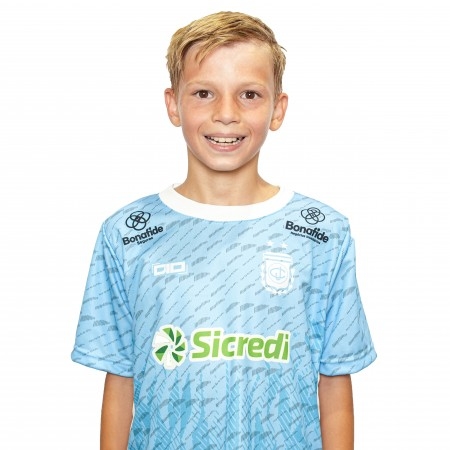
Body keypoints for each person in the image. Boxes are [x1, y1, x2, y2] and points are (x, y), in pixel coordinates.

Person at [71, 11, 376, 450]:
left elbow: (334, 380)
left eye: (249, 94)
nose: (226, 114)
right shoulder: (127, 235)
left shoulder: (324, 234)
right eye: (204, 93)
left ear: (278, 109)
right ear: (173, 104)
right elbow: (120, 379)